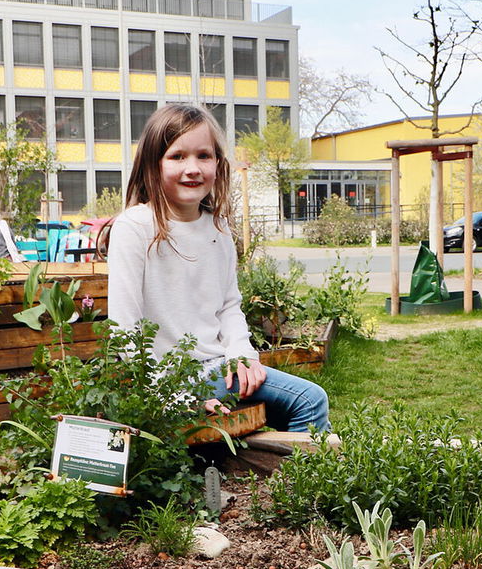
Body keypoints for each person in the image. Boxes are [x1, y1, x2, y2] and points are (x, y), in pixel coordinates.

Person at [108, 103, 330, 433]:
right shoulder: (135, 227)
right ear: (153, 164)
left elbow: (228, 305)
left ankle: (289, 467)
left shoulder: (218, 228)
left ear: (217, 163)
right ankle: (303, 466)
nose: (193, 168)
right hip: (166, 382)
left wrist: (242, 354)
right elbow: (125, 330)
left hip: (218, 369)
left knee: (301, 404)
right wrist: (174, 399)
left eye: (204, 156)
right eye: (177, 156)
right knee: (309, 402)